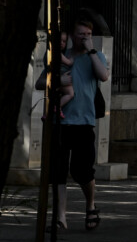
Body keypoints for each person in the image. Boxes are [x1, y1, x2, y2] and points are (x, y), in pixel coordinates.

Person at [46, 14, 109, 230]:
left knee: (82, 170)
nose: (85, 37)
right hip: (61, 122)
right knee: (59, 170)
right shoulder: (61, 56)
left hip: (84, 122)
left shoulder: (96, 56)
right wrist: (57, 81)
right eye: (81, 34)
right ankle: (60, 217)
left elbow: (103, 77)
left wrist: (91, 50)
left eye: (88, 34)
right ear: (72, 36)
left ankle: (90, 205)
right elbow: (41, 83)